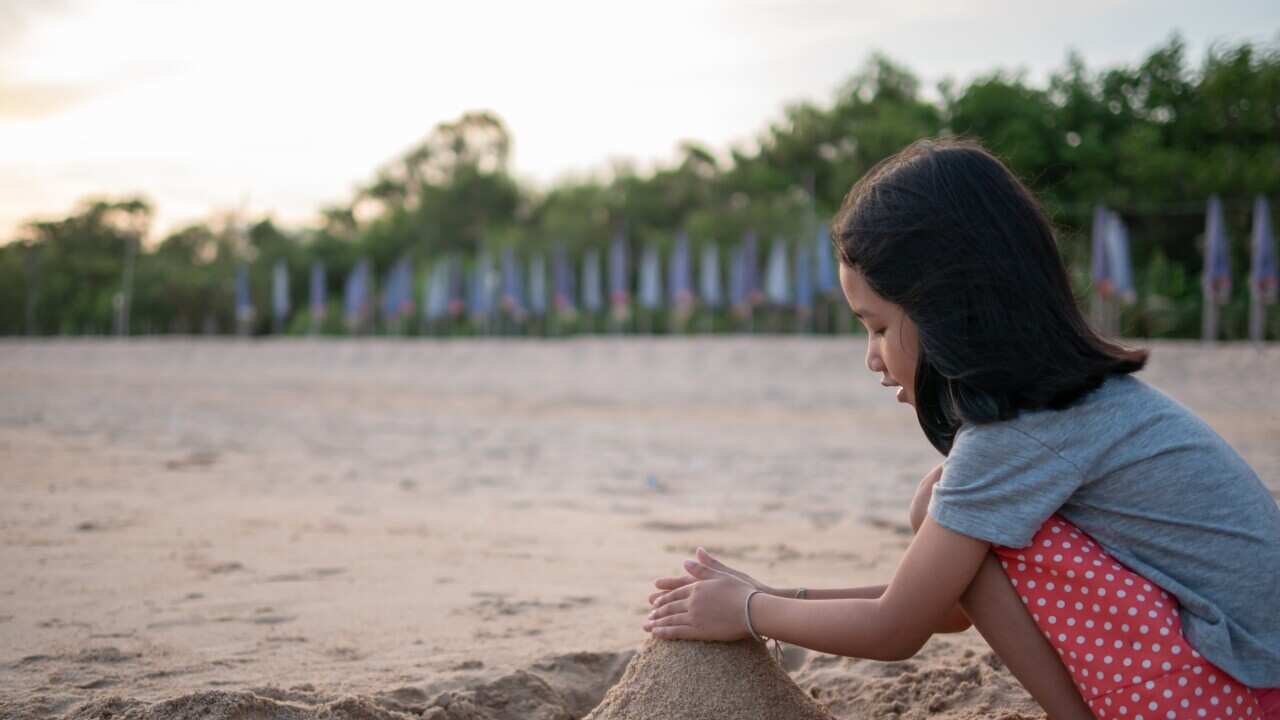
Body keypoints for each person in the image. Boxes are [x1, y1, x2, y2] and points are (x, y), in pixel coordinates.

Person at [642, 138, 1280, 719]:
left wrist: (749, 613)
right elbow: (947, 603)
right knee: (948, 505)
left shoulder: (1018, 435)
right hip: (1248, 673)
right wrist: (782, 595)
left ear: (948, 308)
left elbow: (898, 628)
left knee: (939, 500)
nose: (871, 356)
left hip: (1230, 693)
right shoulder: (1079, 402)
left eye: (879, 328)